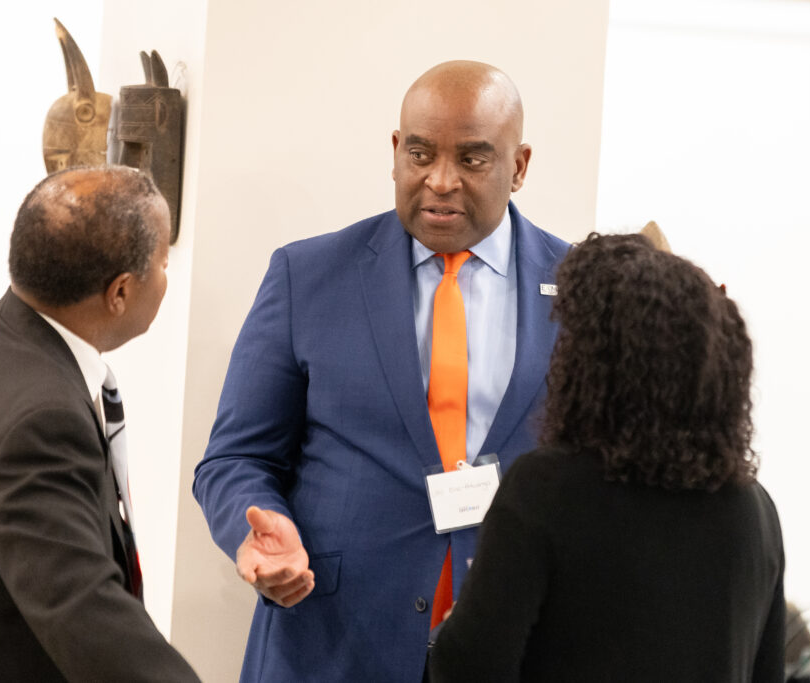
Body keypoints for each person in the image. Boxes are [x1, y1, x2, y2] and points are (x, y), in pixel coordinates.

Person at [193, 60, 570, 681]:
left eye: (472, 159)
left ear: (520, 166)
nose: (440, 180)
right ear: (396, 152)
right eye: (419, 154)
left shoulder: (583, 291)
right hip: (333, 645)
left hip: (518, 645)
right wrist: (256, 526)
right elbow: (235, 458)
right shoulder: (307, 276)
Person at [428, 233, 785, 682]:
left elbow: (468, 666)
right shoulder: (756, 510)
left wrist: (457, 626)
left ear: (592, 363)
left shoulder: (545, 490)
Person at [0, 166, 200, 682]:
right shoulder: (45, 419)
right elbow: (81, 605)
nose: (167, 277)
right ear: (120, 292)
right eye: (163, 263)